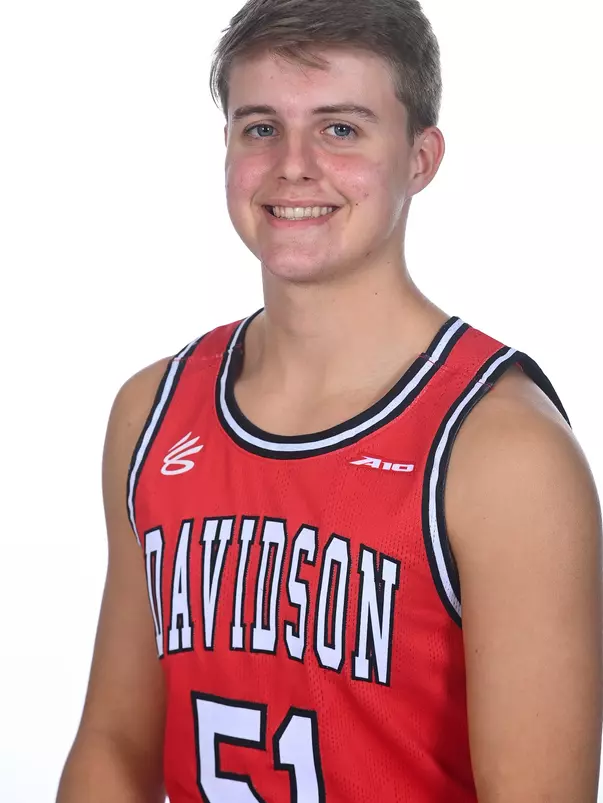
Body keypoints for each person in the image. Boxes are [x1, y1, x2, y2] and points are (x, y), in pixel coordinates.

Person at [56, 0, 602, 800]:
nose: (293, 166)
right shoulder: (152, 410)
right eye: (260, 127)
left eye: (341, 129)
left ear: (420, 157)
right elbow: (114, 740)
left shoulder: (501, 452)